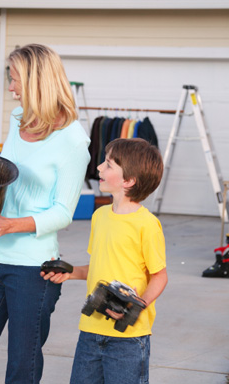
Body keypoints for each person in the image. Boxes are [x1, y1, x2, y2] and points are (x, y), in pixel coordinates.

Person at [0, 44, 91, 383]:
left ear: (37, 81)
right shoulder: (17, 120)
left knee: (21, 371)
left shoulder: (73, 139)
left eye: (15, 80)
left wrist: (12, 225)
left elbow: (62, 212)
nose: (11, 87)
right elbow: (6, 179)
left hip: (33, 270)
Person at [43, 137, 168, 383]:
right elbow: (100, 266)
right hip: (91, 330)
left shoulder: (147, 225)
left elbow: (160, 276)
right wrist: (70, 272)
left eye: (108, 165)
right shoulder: (100, 216)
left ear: (129, 181)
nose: (99, 168)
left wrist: (136, 305)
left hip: (128, 338)